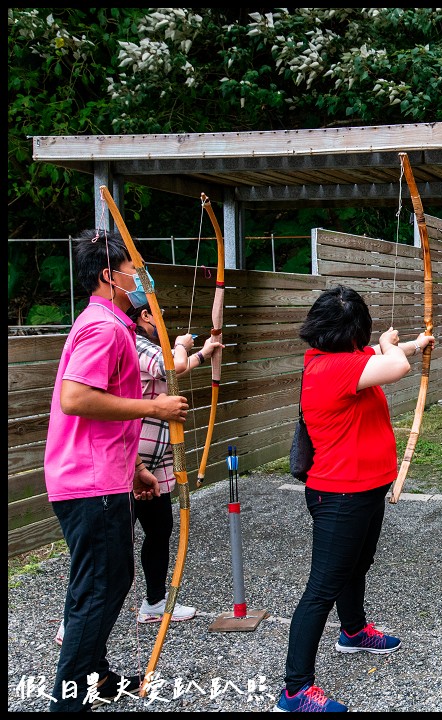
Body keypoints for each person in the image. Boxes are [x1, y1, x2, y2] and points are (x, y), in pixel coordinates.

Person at [44, 229, 188, 712]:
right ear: (110, 275)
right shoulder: (104, 327)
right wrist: (154, 407)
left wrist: (135, 470)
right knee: (99, 586)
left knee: (103, 580)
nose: (139, 278)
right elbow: (76, 398)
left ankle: (95, 675)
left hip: (102, 476)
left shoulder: (108, 323)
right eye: (132, 271)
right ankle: (68, 700)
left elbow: (99, 414)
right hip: (88, 484)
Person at [276, 285, 435, 713]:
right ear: (355, 333)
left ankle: (353, 631)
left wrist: (418, 344)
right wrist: (392, 346)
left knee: (355, 566)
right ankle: (294, 691)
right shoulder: (334, 369)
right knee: (321, 587)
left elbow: (390, 360)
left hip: (364, 489)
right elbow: (394, 364)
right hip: (339, 494)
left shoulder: (346, 361)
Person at [127, 301, 223, 623]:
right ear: (144, 315)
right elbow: (174, 365)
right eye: (159, 315)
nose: (163, 323)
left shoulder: (147, 347)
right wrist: (181, 345)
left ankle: (154, 601)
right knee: (111, 544)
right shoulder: (134, 342)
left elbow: (172, 369)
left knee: (160, 529)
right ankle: (73, 622)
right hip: (130, 461)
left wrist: (204, 353)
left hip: (153, 462)